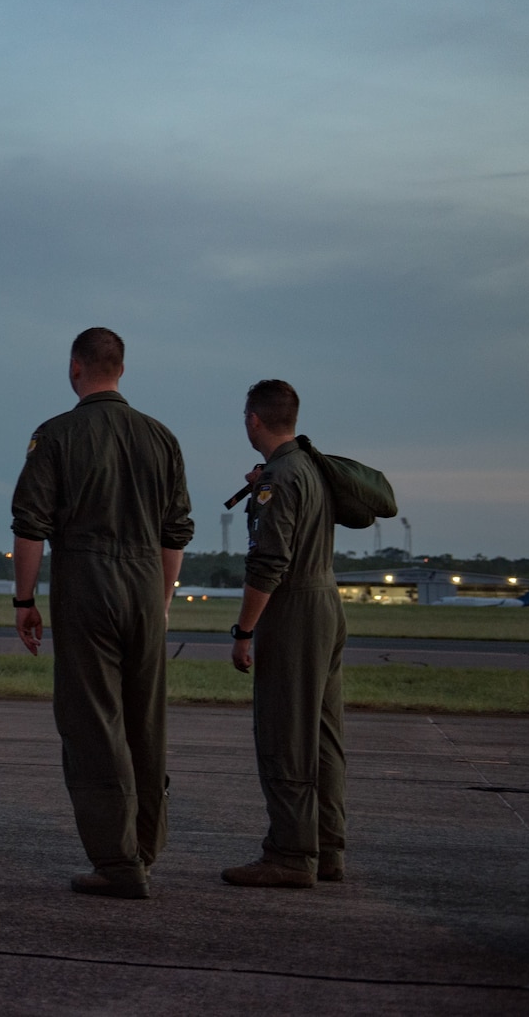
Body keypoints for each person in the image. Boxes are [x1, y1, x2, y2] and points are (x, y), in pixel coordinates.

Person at [10, 328, 192, 899]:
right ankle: (144, 845)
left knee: (93, 723)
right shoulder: (161, 438)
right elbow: (175, 532)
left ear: (75, 368)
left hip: (86, 584)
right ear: (121, 368)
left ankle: (116, 861)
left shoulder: (56, 435)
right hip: (145, 584)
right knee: (145, 720)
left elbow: (30, 525)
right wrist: (160, 602)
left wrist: (24, 600)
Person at [221, 379, 346, 889]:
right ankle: (327, 847)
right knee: (321, 736)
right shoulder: (309, 467)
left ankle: (291, 854)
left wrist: (244, 630)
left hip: (293, 610)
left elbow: (269, 561)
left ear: (254, 419)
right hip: (327, 605)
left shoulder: (280, 477)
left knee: (284, 735)